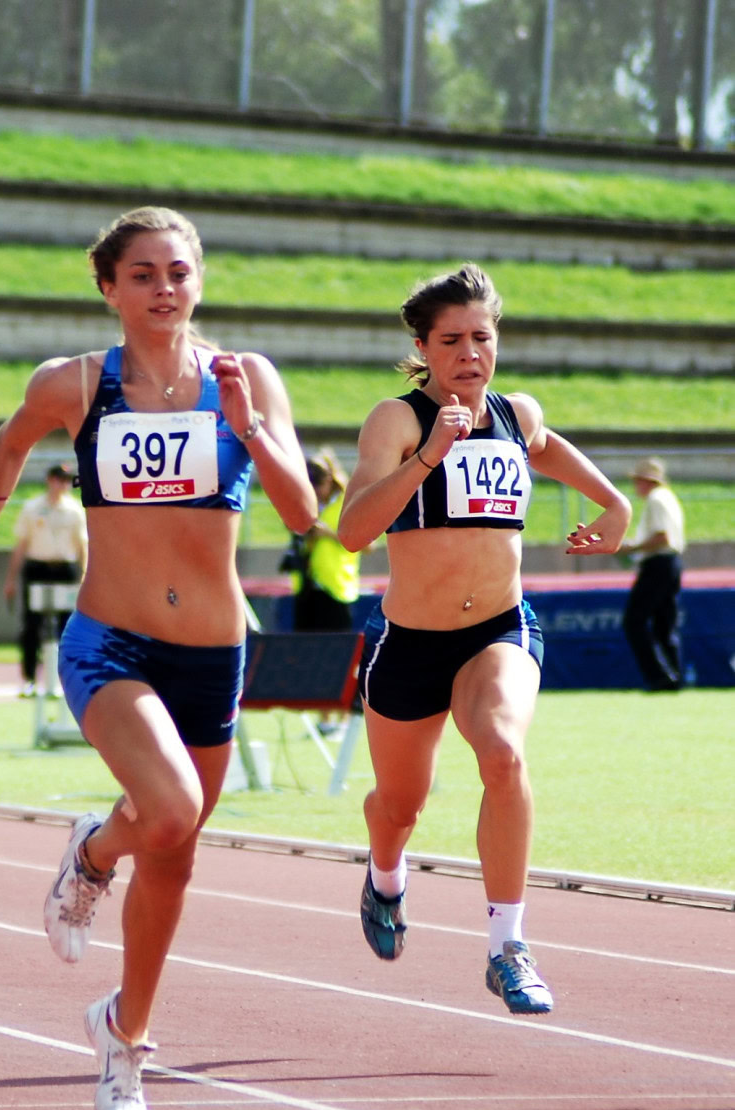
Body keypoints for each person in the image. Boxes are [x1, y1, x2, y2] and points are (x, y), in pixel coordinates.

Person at [0, 206, 316, 1110]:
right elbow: (7, 449)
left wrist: (249, 429)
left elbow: (306, 515)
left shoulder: (246, 376)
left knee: (176, 858)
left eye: (179, 272)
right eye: (143, 275)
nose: (164, 289)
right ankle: (98, 854)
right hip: (110, 642)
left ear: (200, 281)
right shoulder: (73, 384)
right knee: (173, 809)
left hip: (214, 654)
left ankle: (123, 1030)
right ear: (109, 287)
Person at [338, 263, 631, 1016]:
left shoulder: (515, 413)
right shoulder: (396, 421)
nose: (470, 353)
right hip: (410, 642)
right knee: (399, 804)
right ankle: (386, 874)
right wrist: (431, 451)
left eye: (482, 337)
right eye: (452, 340)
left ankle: (508, 946)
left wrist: (614, 503)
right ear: (423, 347)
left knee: (502, 754)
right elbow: (352, 531)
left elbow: (549, 444)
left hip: (498, 628)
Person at [290, 448, 363, 735]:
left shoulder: (346, 503)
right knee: (314, 655)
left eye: (317, 487)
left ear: (328, 481)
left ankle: (343, 720)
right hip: (309, 586)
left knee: (339, 657)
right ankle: (324, 720)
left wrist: (327, 534)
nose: (315, 493)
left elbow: (366, 543)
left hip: (337, 587)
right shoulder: (308, 504)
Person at [3, 462, 87, 697]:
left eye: (66, 480)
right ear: (50, 480)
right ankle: (29, 679)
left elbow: (82, 546)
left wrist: (84, 575)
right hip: (37, 568)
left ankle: (62, 682)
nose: (62, 484)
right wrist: (10, 579)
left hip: (64, 570)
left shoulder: (74, 510)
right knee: (31, 625)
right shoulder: (32, 508)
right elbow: (21, 545)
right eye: (59, 479)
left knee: (66, 627)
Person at [621, 456, 685, 691]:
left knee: (634, 621)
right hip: (672, 562)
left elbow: (661, 537)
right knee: (665, 623)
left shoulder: (656, 500)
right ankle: (674, 675)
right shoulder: (669, 498)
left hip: (657, 563)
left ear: (645, 481)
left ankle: (659, 675)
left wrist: (631, 548)